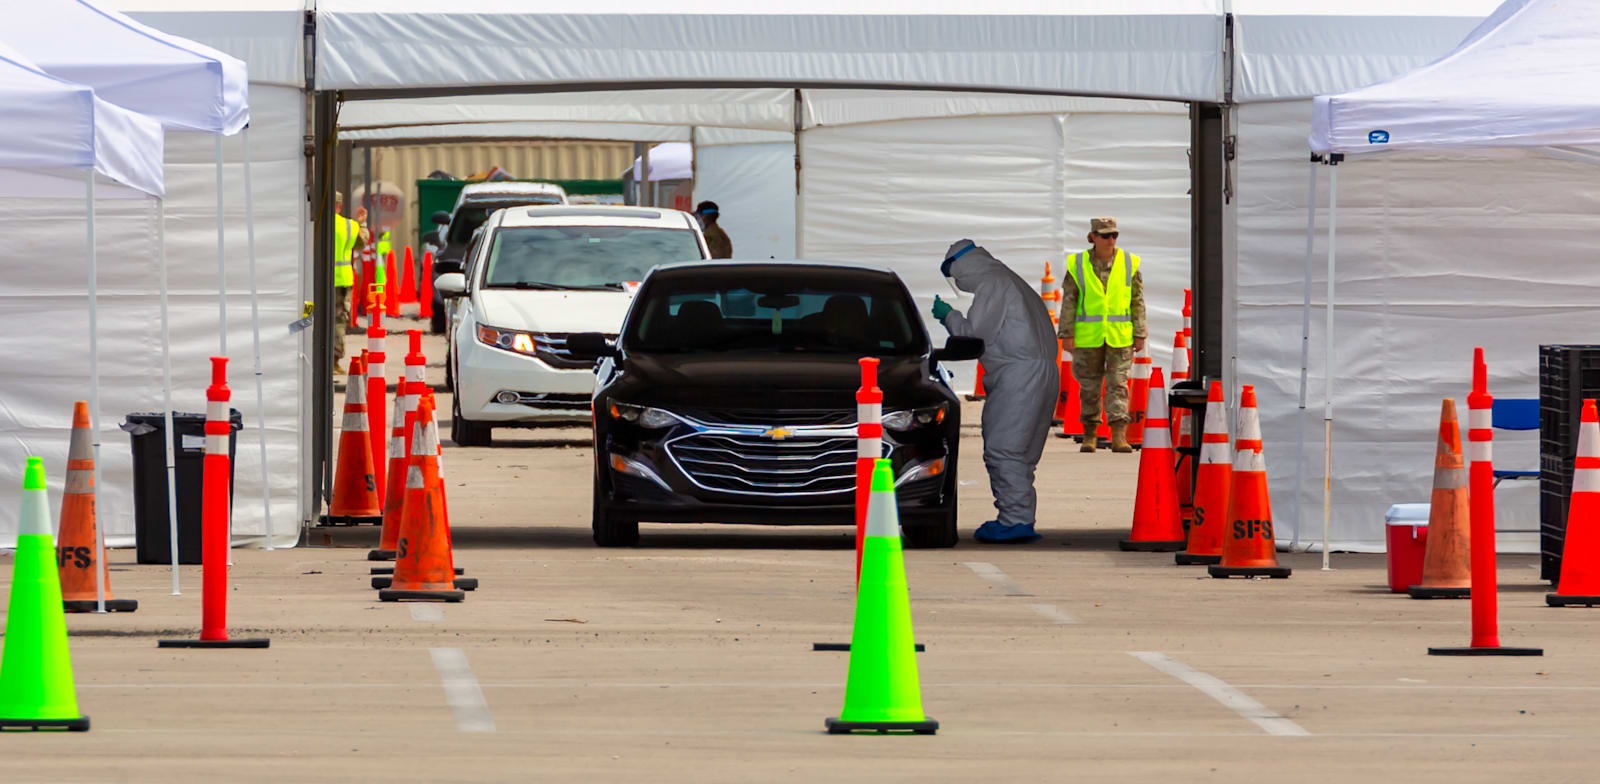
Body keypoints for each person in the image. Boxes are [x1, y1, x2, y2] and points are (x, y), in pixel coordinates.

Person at [932, 240, 1059, 544]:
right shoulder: (1012, 281)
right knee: (1022, 453)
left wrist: (948, 316)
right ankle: (1020, 517)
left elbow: (974, 337)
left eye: (955, 276)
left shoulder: (993, 283)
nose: (957, 283)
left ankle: (1014, 520)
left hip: (1018, 376)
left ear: (962, 267)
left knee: (1004, 448)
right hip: (1043, 373)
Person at [1059, 217, 1147, 453]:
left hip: (1120, 336)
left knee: (1118, 385)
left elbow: (1137, 301)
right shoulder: (1078, 264)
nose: (1111, 240)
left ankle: (1119, 435)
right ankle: (1090, 435)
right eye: (1106, 235)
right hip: (1088, 337)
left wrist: (1140, 332)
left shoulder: (1129, 263)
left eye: (1114, 235)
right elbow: (1069, 301)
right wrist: (1067, 334)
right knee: (1089, 387)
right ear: (1093, 237)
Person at [332, 191, 365, 373]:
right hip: (342, 281)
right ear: (339, 205)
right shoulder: (349, 225)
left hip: (315, 281)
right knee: (338, 320)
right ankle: (334, 360)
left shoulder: (314, 222)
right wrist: (362, 223)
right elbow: (361, 243)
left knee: (312, 315)